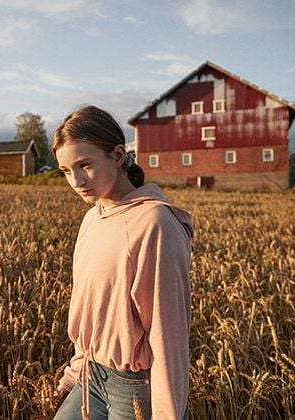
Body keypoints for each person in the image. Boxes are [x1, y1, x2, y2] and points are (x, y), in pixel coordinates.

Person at [51, 105, 193, 419]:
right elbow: (92, 308)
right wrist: (74, 374)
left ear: (118, 156)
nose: (76, 180)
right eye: (65, 170)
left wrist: (168, 415)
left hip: (133, 388)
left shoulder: (155, 223)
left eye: (84, 164)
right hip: (90, 376)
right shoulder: (92, 218)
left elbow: (169, 332)